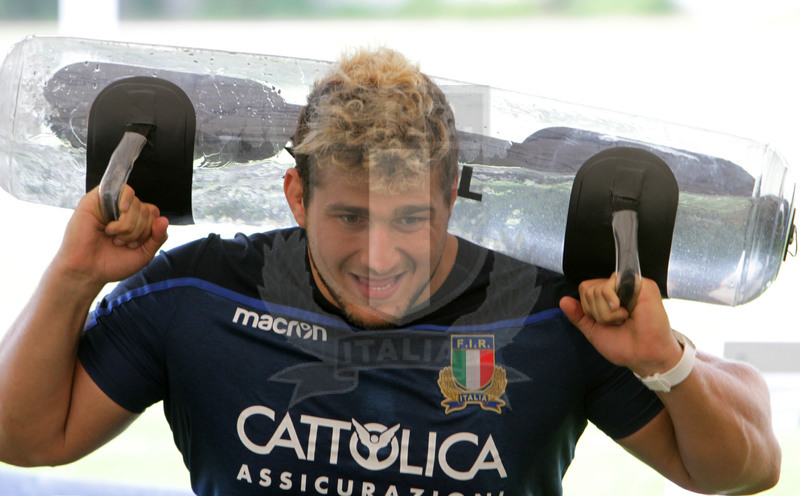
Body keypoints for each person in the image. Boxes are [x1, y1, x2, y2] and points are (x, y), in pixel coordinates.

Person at [0, 47, 781, 495]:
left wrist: (665, 363)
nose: (380, 258)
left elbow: (744, 470)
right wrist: (74, 275)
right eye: (350, 217)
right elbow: (26, 438)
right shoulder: (198, 293)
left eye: (410, 219)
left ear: (452, 197)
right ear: (297, 196)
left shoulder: (556, 313)